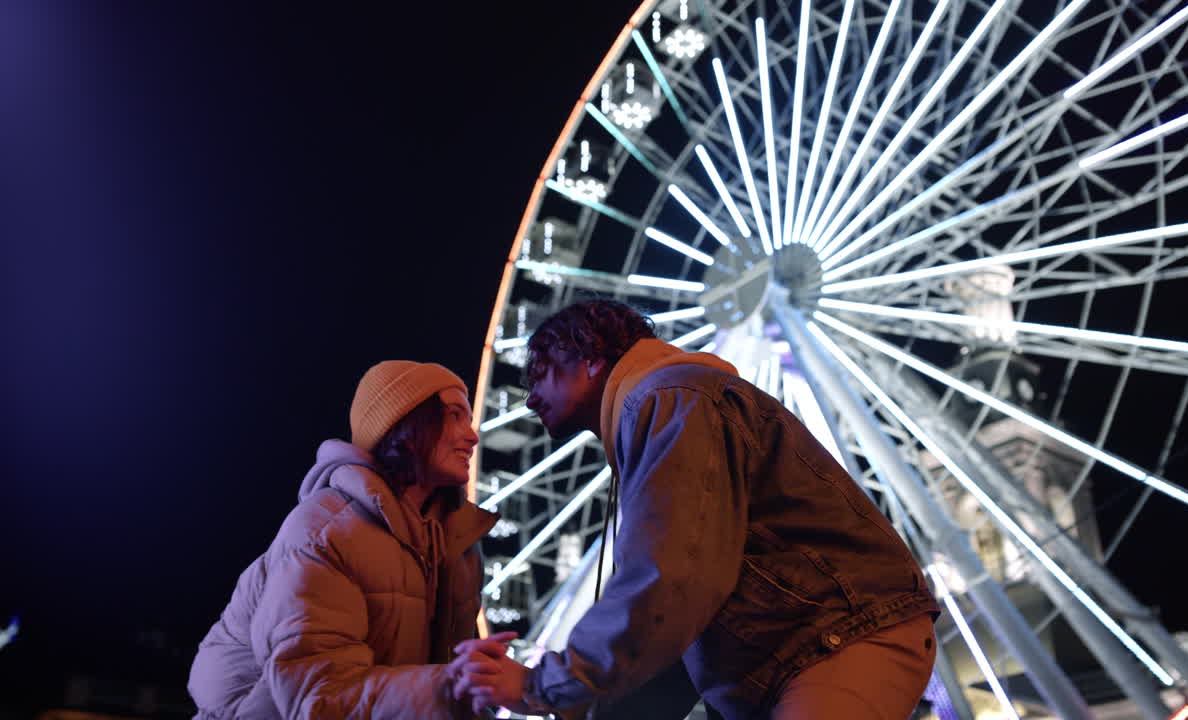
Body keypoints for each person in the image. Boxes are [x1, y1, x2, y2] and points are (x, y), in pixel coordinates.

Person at [450, 300, 940, 720]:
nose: (532, 396)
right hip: (803, 652)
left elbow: (671, 578)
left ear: (591, 358)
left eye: (543, 372)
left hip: (836, 640)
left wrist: (542, 687)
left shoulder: (669, 400)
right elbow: (683, 626)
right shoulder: (667, 406)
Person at [189, 361, 512, 719]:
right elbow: (317, 694)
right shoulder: (324, 532)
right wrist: (450, 686)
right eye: (454, 416)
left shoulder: (459, 548)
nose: (472, 436)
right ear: (405, 425)